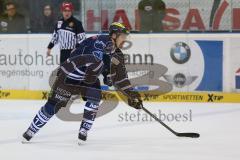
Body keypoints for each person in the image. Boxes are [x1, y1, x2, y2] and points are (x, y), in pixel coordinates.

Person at [22, 22, 143, 143]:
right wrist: (107, 73)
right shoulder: (100, 40)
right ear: (114, 35)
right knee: (53, 105)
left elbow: (121, 79)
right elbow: (95, 59)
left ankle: (83, 130)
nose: (125, 40)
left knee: (95, 99)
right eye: (123, 36)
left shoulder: (118, 55)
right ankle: (31, 130)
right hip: (71, 74)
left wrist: (131, 96)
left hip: (88, 77)